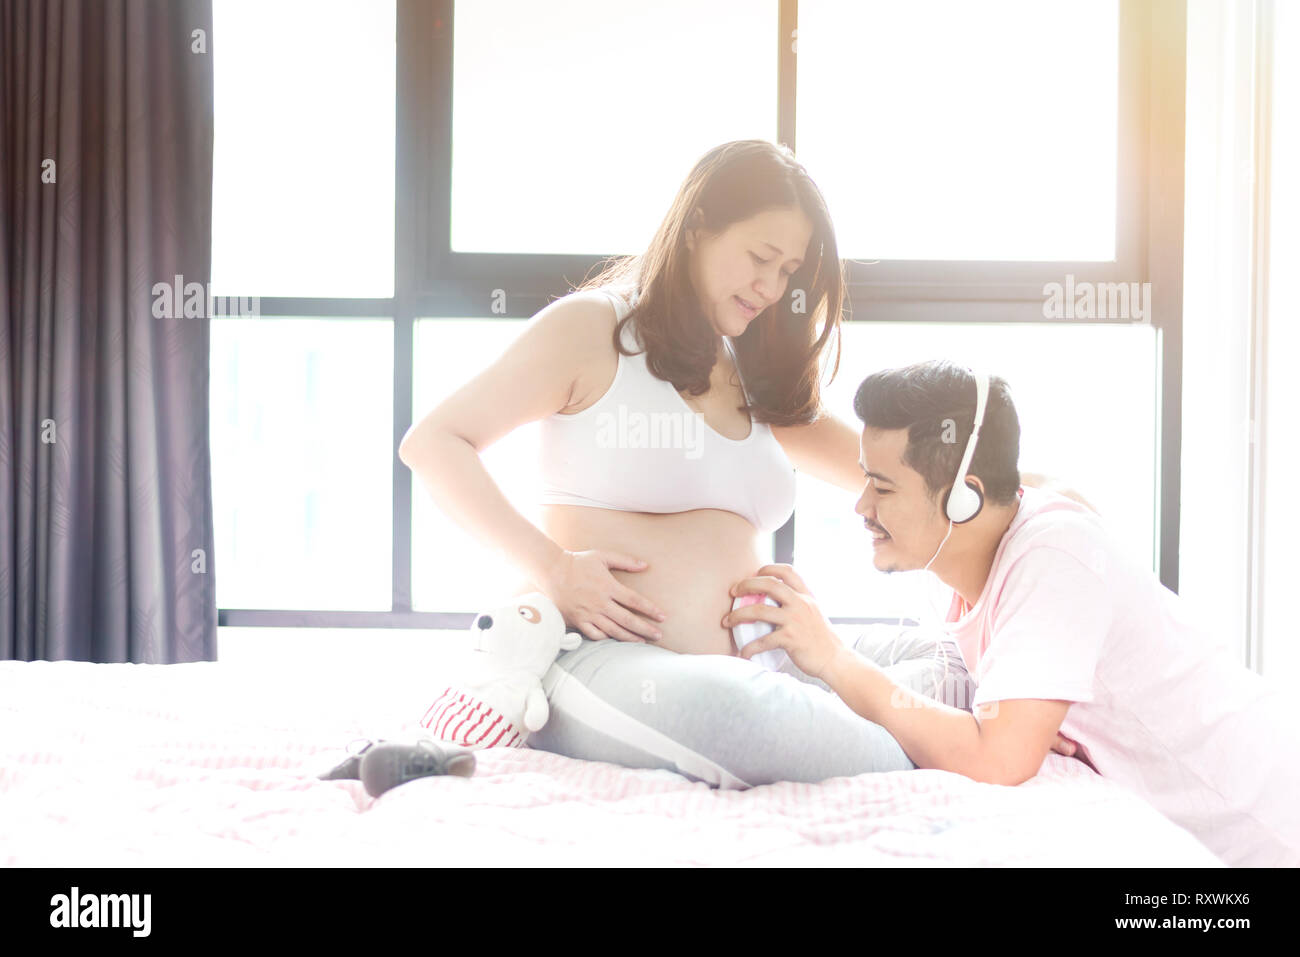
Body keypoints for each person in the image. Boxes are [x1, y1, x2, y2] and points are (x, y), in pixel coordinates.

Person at [399, 140, 985, 787]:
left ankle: (875, 726)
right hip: (600, 657)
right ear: (699, 225)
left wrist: (1018, 489)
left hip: (761, 653)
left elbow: (891, 472)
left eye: (789, 270)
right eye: (761, 257)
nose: (772, 286)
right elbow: (433, 443)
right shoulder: (593, 331)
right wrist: (555, 568)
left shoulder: (754, 371)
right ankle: (934, 742)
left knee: (951, 661)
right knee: (746, 713)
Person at [726, 359, 1300, 865]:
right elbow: (983, 718)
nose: (861, 505)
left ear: (962, 496)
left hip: (1261, 828)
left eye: (882, 487)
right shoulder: (952, 568)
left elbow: (997, 759)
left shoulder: (1055, 558)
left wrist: (833, 659)